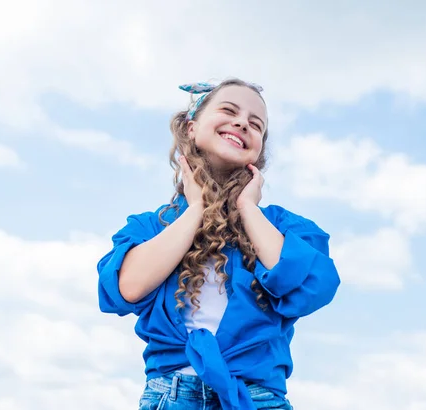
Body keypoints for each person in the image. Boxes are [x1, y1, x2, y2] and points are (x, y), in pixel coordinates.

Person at [96, 78, 341, 410]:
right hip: (171, 396)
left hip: (257, 399)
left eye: (256, 125)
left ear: (258, 150)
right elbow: (127, 287)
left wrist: (248, 208)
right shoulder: (150, 226)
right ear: (191, 127)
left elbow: (305, 286)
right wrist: (196, 209)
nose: (242, 123)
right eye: (229, 110)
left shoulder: (284, 227)